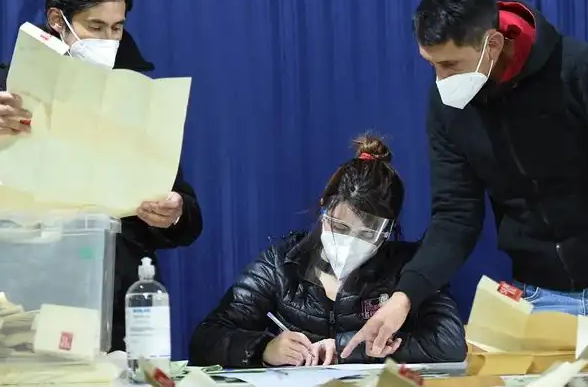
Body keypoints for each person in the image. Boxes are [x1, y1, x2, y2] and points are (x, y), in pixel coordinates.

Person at [343, 0, 588, 359]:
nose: (440, 79)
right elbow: (455, 217)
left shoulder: (581, 72)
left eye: (450, 64)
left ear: (493, 44)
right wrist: (404, 297)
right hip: (543, 299)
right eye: (431, 65)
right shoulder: (447, 107)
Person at [0, 0, 203, 350]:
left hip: (110, 296)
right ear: (57, 19)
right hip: (21, 297)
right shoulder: (8, 84)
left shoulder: (135, 93)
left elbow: (185, 211)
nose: (108, 40)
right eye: (95, 27)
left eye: (116, 28)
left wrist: (175, 211)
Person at [189, 135, 467, 368]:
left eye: (367, 234)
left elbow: (449, 342)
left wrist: (345, 348)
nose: (350, 242)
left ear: (388, 230)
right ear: (324, 208)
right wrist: (264, 348)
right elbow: (206, 338)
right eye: (340, 226)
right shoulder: (283, 264)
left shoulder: (410, 269)